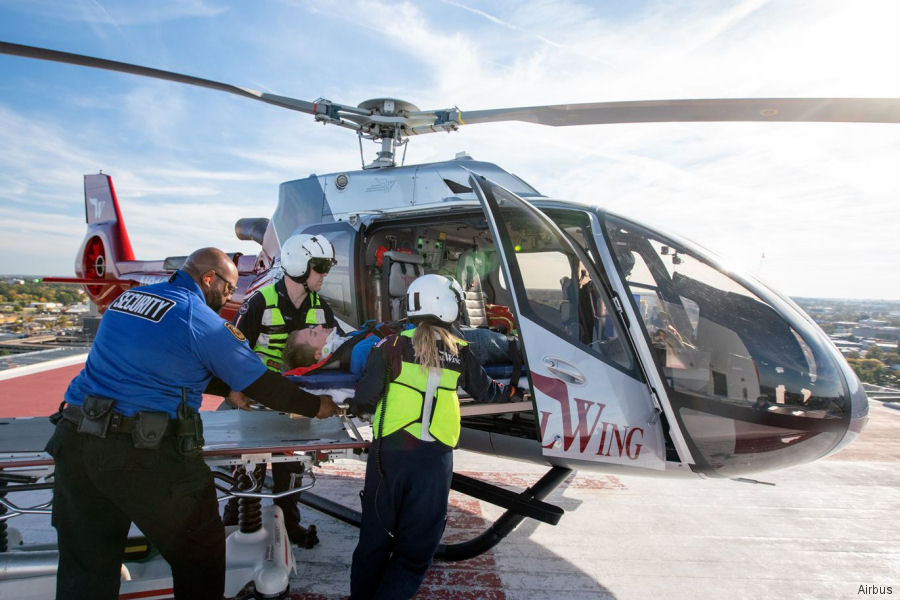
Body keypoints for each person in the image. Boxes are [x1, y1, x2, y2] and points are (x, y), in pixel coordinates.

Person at [44, 247, 339, 600]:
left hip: (75, 441)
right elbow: (261, 383)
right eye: (228, 290)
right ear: (209, 279)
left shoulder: (129, 299)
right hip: (143, 452)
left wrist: (228, 386)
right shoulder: (197, 316)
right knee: (200, 554)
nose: (229, 298)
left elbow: (166, 361)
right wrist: (317, 406)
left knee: (86, 566)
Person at [347, 274, 518, 600]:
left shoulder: (389, 346)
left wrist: (353, 405)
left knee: (374, 541)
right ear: (449, 306)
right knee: (414, 552)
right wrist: (509, 388)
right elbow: (487, 394)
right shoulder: (461, 350)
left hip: (390, 455)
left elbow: (364, 399)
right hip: (434, 459)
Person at [227, 232, 338, 547]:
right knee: (249, 473)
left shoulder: (322, 309)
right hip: (257, 401)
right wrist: (235, 390)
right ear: (300, 265)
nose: (324, 275)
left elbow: (334, 353)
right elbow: (232, 349)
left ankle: (290, 525)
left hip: (295, 403)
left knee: (291, 471)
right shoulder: (260, 303)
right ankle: (232, 527)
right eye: (320, 267)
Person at [282, 321, 517, 375]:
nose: (320, 326)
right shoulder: (359, 355)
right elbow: (403, 350)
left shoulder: (350, 345)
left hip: (434, 336)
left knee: (494, 338)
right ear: (318, 354)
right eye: (313, 332)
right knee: (497, 343)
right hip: (440, 345)